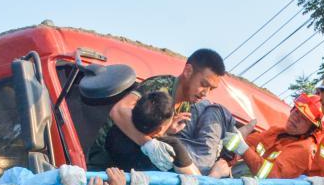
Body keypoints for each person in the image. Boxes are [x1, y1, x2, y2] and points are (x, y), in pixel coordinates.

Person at [87, 49, 226, 171]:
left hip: (130, 166)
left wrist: (167, 130)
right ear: (188, 71)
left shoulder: (186, 105)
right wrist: (148, 144)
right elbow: (119, 110)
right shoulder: (159, 86)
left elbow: (150, 130)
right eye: (204, 85)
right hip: (103, 158)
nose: (205, 93)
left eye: (211, 89)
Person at [104, 91, 196, 173]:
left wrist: (165, 129)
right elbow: (200, 182)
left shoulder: (114, 133)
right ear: (159, 129)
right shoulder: (172, 147)